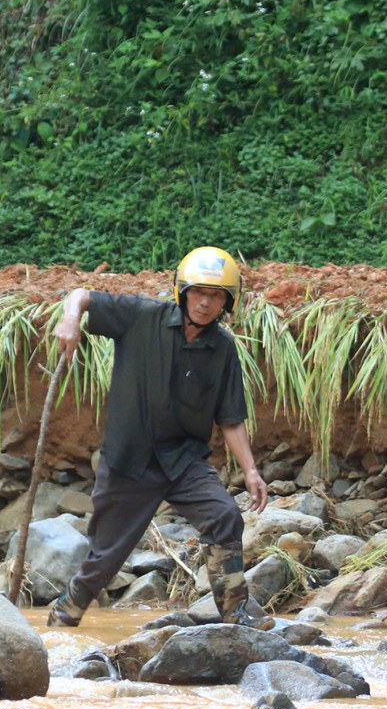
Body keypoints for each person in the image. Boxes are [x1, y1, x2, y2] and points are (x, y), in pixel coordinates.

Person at [45, 245, 270, 629]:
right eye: (199, 292)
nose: (205, 302)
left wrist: (250, 471)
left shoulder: (223, 350)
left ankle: (236, 611)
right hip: (129, 460)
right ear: (183, 292)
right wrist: (70, 320)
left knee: (224, 515)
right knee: (105, 558)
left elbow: (231, 418)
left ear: (226, 303)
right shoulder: (141, 316)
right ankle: (62, 620)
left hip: (183, 461)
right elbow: (81, 296)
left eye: (216, 296)